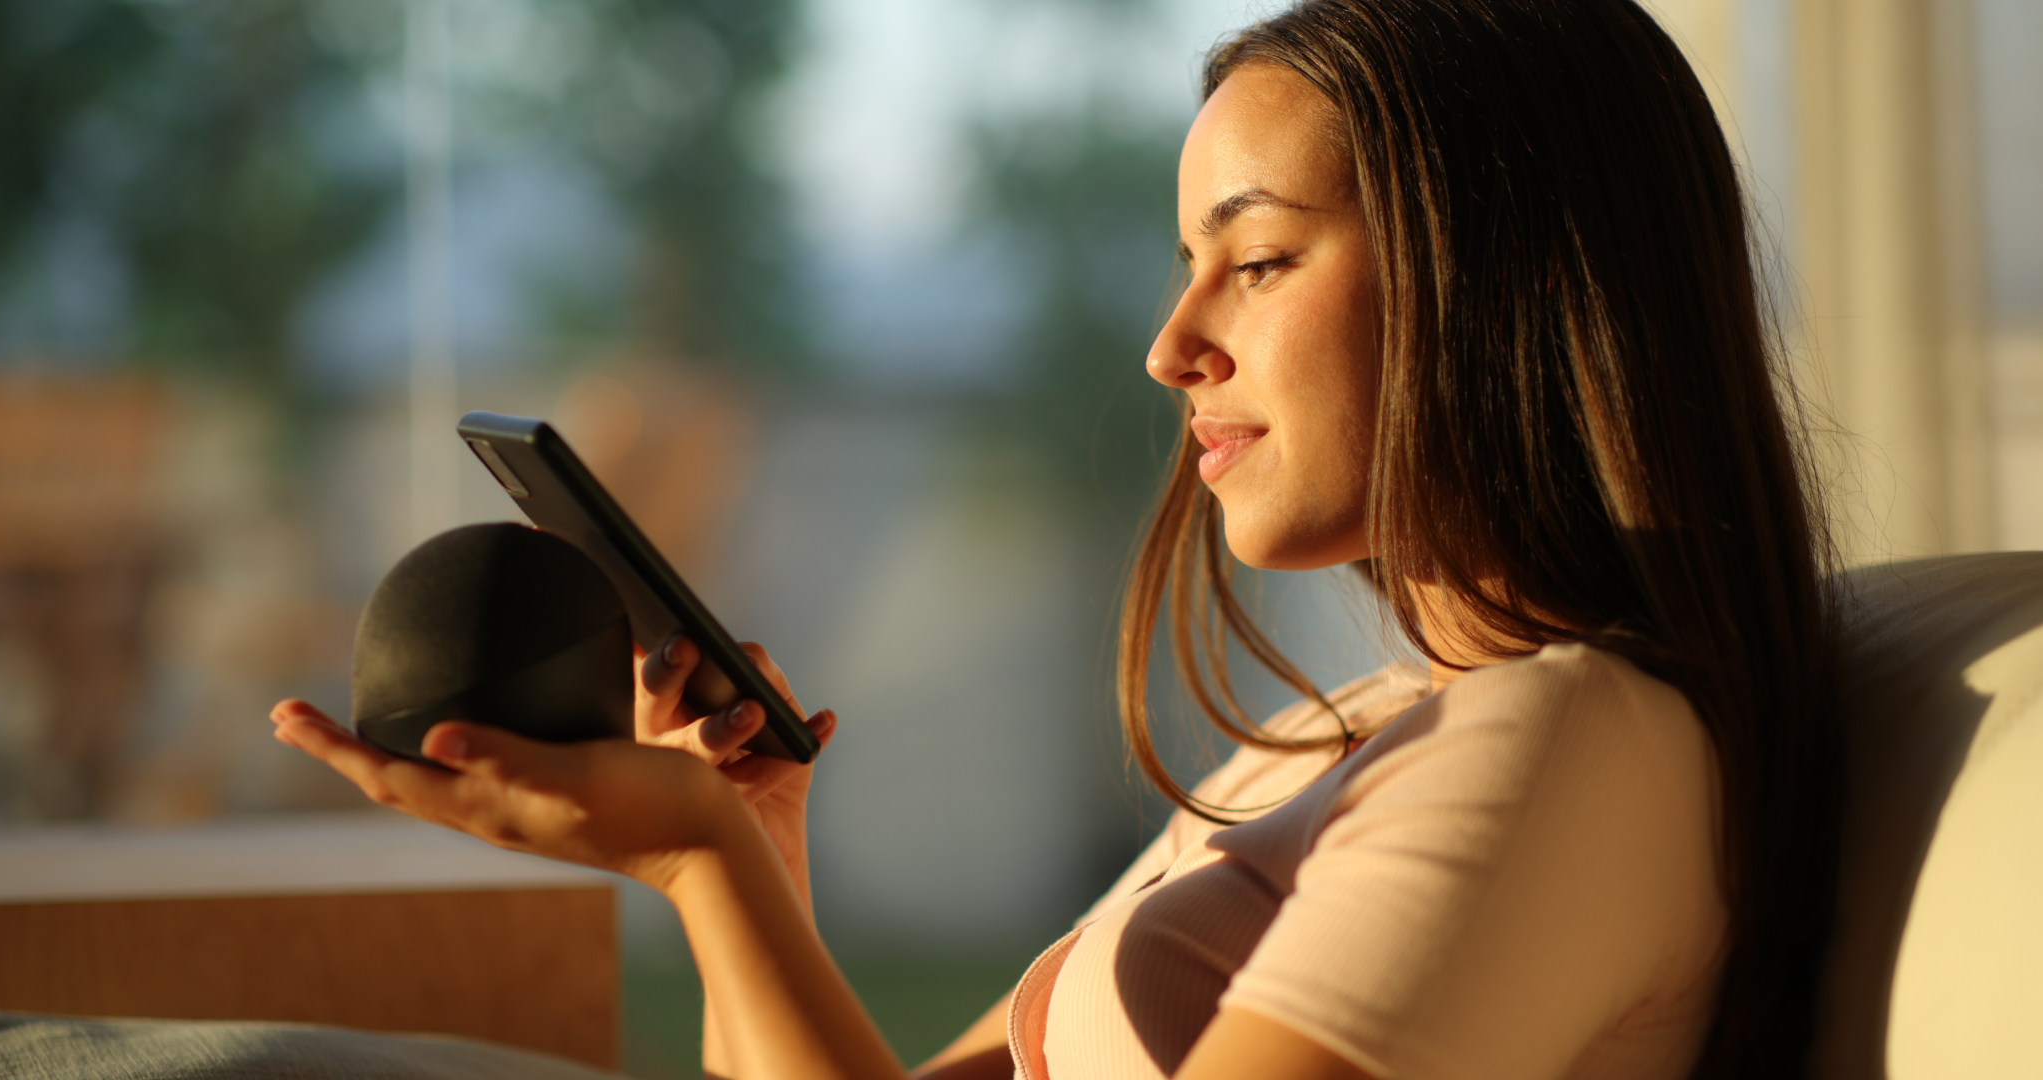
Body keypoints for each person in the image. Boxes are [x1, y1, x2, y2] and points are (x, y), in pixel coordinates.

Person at [273, 1, 1841, 1077]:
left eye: (1262, 259)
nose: (1172, 345)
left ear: (1503, 290)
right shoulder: (1338, 737)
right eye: (1184, 264)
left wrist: (698, 863)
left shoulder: (1566, 748)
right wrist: (744, 859)